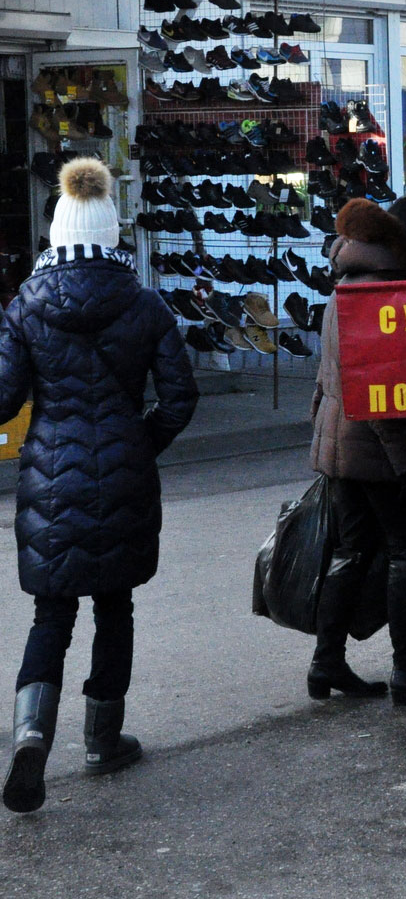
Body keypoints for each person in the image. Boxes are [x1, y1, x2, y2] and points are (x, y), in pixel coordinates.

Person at [0, 158, 198, 813]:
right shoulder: (146, 304)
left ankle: (31, 731)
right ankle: (102, 739)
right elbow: (179, 396)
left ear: (56, 233)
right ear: (113, 233)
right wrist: (140, 442)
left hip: (49, 480)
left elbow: (2, 397)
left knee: (51, 612)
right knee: (115, 606)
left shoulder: (26, 305)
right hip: (124, 475)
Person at [308, 198, 406, 705]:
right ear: (404, 238)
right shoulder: (383, 290)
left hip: (338, 442)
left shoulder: (350, 280)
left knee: (350, 551)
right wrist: (404, 462)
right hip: (374, 448)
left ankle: (326, 662)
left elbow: (325, 375)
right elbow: (380, 395)